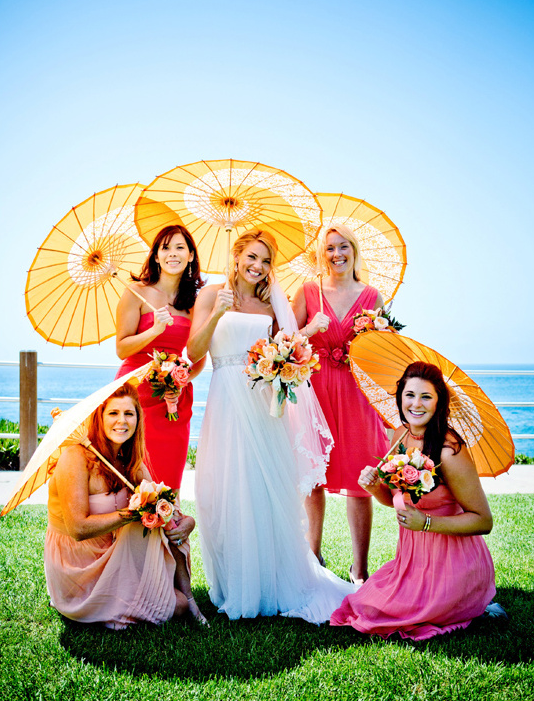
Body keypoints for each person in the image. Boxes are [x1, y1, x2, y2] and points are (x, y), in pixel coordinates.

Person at [187, 228, 353, 622]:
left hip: (262, 403)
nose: (258, 267)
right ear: (237, 255)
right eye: (252, 258)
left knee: (264, 490)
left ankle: (274, 581)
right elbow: (193, 352)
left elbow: (287, 352)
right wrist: (216, 314)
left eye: (265, 261)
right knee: (224, 491)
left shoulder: (270, 306)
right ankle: (234, 582)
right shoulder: (210, 294)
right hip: (225, 399)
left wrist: (301, 341)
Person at [330, 361, 500, 641]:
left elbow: (484, 520)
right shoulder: (402, 435)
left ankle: (472, 601)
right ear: (400, 398)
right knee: (366, 603)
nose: (416, 404)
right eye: (410, 395)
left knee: (389, 615)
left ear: (438, 402)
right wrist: (375, 488)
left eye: (426, 396)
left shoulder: (449, 452)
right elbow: (396, 501)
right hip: (411, 560)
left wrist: (427, 523)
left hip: (452, 565)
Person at [44, 382, 207, 629]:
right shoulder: (75, 457)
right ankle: (166, 599)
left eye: (128, 413)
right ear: (99, 417)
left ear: (137, 419)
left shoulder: (127, 458)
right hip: (81, 564)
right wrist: (131, 513)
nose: (122, 421)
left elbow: (163, 502)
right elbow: (78, 529)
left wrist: (188, 522)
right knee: (177, 605)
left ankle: (193, 602)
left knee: (161, 516)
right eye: (113, 413)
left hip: (117, 548)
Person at [292, 224, 390, 583]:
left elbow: (380, 356)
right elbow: (285, 341)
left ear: (354, 250)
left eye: (343, 247)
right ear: (322, 255)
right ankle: (313, 557)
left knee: (360, 479)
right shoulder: (306, 292)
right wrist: (309, 330)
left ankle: (360, 569)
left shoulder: (373, 296)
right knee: (314, 478)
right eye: (330, 248)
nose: (337, 255)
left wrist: (380, 340)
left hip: (356, 394)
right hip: (315, 391)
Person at [115, 225, 205, 490]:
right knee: (131, 475)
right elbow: (122, 348)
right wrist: (155, 330)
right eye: (165, 248)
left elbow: (198, 359)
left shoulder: (195, 303)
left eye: (180, 248)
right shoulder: (136, 293)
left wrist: (180, 382)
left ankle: (167, 528)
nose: (172, 254)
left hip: (172, 401)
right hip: (134, 393)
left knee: (168, 475)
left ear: (190, 256)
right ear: (155, 256)